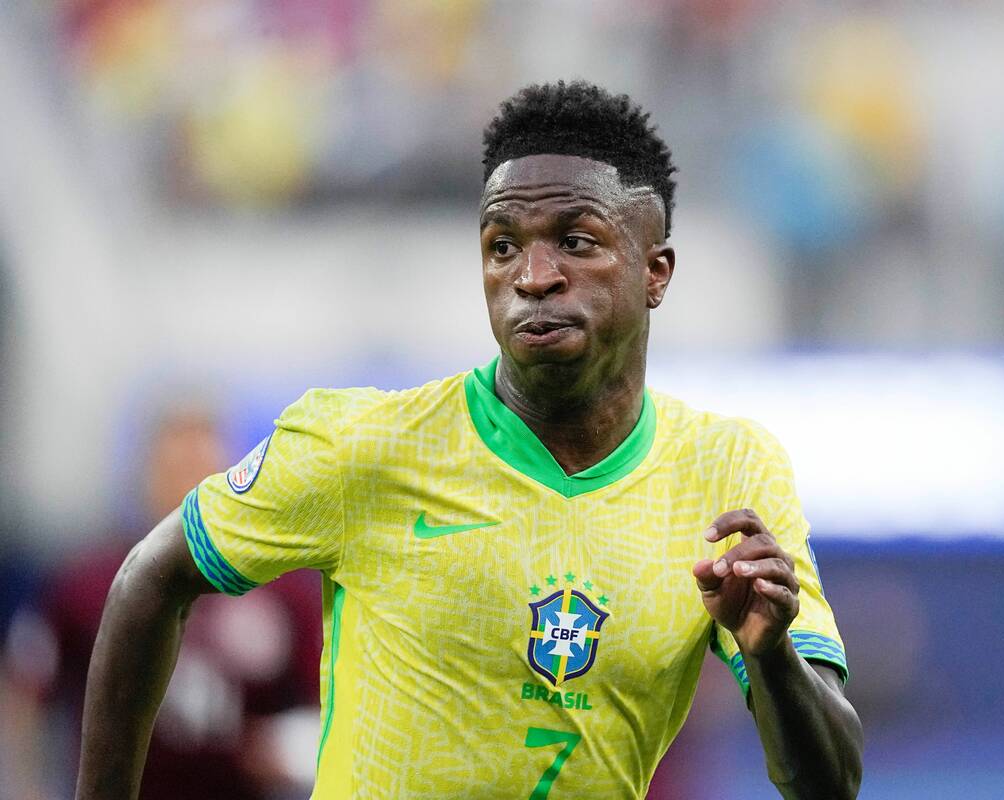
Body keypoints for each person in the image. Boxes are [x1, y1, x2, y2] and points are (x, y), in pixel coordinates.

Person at [77, 81, 863, 800]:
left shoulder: (726, 473)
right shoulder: (367, 444)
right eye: (502, 246)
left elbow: (829, 784)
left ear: (655, 272)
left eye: (577, 242)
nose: (532, 275)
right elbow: (149, 579)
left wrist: (770, 654)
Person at [17, 404, 323, 800]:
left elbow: (326, 704)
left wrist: (284, 749)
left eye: (201, 470)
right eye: (174, 469)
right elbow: (25, 691)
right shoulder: (89, 583)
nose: (187, 488)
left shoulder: (282, 592)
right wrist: (30, 787)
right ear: (145, 475)